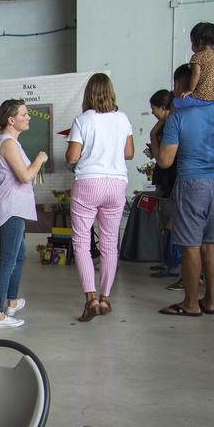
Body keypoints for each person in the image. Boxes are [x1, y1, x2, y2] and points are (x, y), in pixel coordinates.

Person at [156, 63, 214, 317]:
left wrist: (156, 135)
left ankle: (191, 303)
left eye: (175, 84)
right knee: (210, 243)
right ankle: (210, 301)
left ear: (183, 85)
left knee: (191, 245)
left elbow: (164, 161)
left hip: (192, 183)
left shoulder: (179, 117)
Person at [65, 73, 134, 321]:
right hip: (116, 184)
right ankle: (105, 299)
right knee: (109, 243)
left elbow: (73, 157)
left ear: (88, 94)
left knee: (82, 242)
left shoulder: (83, 120)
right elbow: (129, 153)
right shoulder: (122, 118)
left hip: (89, 183)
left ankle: (90, 299)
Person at [0, 100, 47, 328]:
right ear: (11, 120)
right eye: (24, 114)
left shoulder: (10, 142)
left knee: (19, 256)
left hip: (14, 208)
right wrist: (40, 159)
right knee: (9, 261)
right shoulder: (8, 143)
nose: (28, 117)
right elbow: (25, 176)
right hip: (11, 209)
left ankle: (11, 302)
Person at [147, 89, 179, 278]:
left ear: (163, 108)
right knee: (165, 225)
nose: (152, 112)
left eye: (153, 108)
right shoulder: (166, 125)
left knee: (171, 225)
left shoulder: (170, 128)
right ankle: (167, 263)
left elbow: (163, 160)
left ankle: (173, 266)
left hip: (171, 181)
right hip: (165, 180)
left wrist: (153, 136)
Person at [178, 22, 214, 105]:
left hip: (202, 96)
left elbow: (196, 73)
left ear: (199, 41)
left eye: (192, 42)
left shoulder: (198, 57)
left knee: (176, 103)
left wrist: (190, 90)